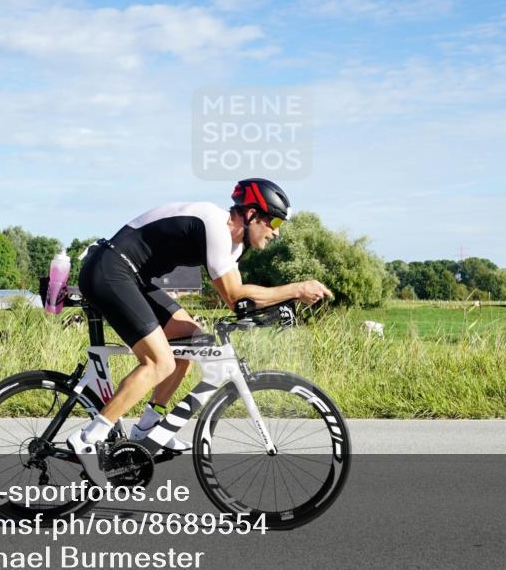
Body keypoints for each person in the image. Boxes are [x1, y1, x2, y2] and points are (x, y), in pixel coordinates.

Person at [66, 178, 333, 485]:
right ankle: (89, 437)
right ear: (250, 214)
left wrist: (280, 305)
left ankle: (147, 428)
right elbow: (234, 296)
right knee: (159, 362)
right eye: (273, 221)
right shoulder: (215, 225)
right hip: (110, 270)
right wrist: (296, 289)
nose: (276, 232)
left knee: (193, 342)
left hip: (134, 277)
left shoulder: (234, 246)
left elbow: (241, 302)